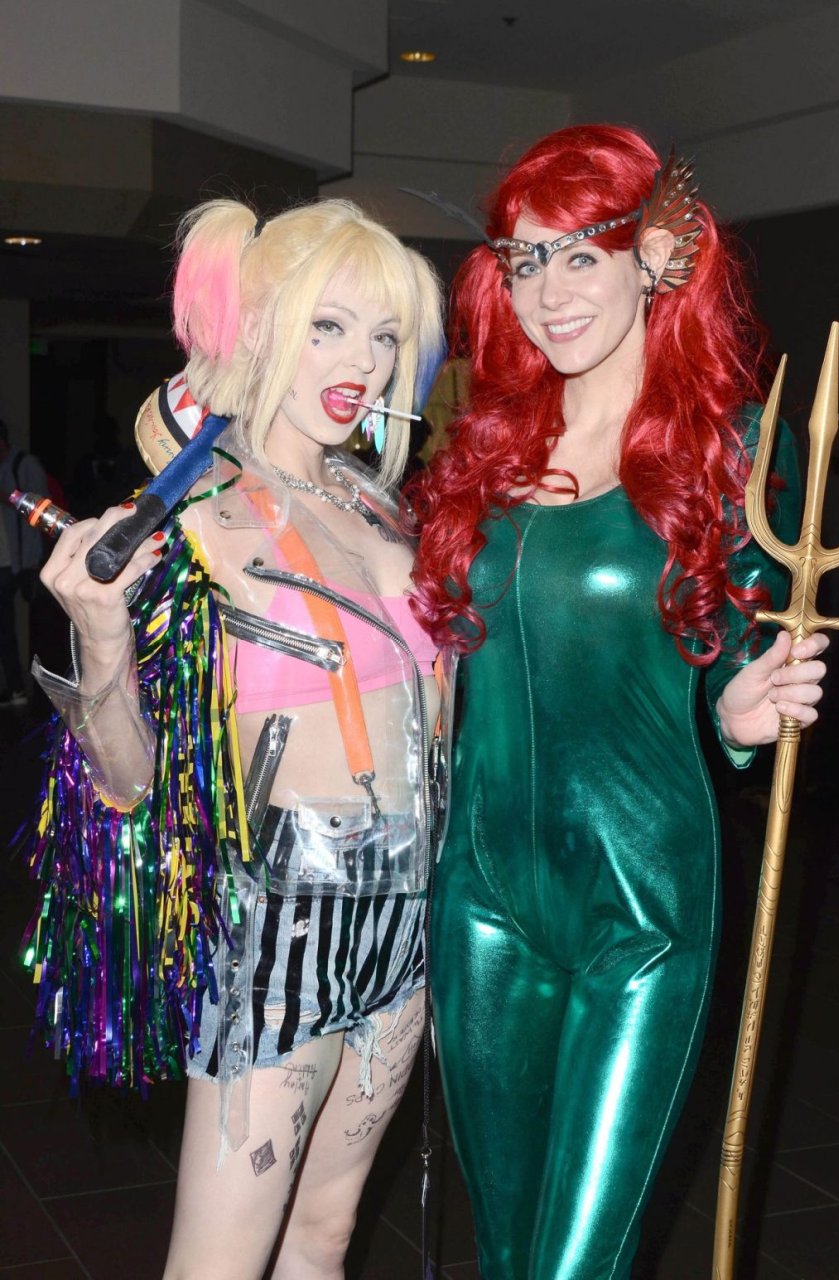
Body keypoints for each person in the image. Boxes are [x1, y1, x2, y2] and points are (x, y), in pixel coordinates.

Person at [409, 125, 829, 1279]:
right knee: (505, 1254)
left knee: (571, 1265)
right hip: (480, 901)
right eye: (522, 260)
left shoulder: (731, 446)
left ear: (653, 255)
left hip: (640, 909)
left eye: (577, 254)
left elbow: (732, 653)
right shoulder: (491, 447)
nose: (546, 292)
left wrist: (737, 717)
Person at [24, 197, 445, 1280]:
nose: (364, 362)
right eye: (328, 326)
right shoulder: (195, 521)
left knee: (325, 1240)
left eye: (384, 334)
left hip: (410, 920)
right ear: (258, 327)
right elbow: (128, 783)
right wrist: (101, 638)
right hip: (282, 924)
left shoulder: (384, 508)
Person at [0, 417, 49, 704]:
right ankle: (17, 688)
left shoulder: (24, 464)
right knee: (6, 627)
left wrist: (7, 497)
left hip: (26, 558)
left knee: (38, 625)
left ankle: (43, 694)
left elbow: (43, 509)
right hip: (7, 561)